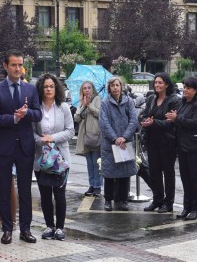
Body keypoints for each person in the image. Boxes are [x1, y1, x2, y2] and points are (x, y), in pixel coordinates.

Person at [0, 50, 42, 244]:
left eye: (20, 65)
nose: (18, 68)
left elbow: (38, 114)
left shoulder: (30, 89)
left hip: (25, 145)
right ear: (5, 66)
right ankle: (7, 228)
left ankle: (25, 229)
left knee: (26, 191)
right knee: (4, 190)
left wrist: (26, 114)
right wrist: (12, 118)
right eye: (14, 65)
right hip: (4, 145)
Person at [33, 74, 75, 240]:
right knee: (44, 194)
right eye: (45, 86)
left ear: (56, 88)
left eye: (51, 86)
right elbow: (32, 132)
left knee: (59, 194)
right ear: (41, 89)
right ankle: (49, 226)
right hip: (41, 158)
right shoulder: (37, 108)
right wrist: (42, 141)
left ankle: (59, 228)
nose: (49, 89)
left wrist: (52, 138)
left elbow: (70, 131)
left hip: (60, 158)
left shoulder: (63, 107)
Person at [139, 73, 181, 213]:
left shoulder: (174, 100)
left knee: (168, 173)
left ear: (167, 84)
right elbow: (144, 114)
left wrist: (153, 122)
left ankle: (168, 203)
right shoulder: (151, 98)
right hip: (152, 141)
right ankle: (157, 200)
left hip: (167, 142)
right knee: (154, 172)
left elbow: (171, 122)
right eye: (155, 82)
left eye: (160, 83)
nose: (157, 85)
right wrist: (144, 120)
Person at [167, 76, 197, 220]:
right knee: (185, 178)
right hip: (182, 146)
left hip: (195, 146)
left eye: (188, 88)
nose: (185, 90)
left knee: (195, 178)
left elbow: (195, 123)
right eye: (184, 87)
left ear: (195, 90)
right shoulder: (183, 103)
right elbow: (180, 123)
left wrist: (176, 119)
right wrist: (173, 120)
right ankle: (187, 207)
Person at [99, 76, 139, 212]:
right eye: (112, 85)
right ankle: (108, 200)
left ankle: (122, 200)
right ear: (109, 88)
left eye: (117, 85)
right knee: (109, 174)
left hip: (125, 143)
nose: (115, 87)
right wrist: (115, 138)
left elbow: (134, 121)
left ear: (121, 87)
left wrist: (124, 137)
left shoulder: (129, 102)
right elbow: (104, 124)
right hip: (110, 144)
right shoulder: (105, 103)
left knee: (124, 173)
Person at [74, 81, 103, 197]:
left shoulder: (97, 99)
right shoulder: (81, 102)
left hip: (95, 135)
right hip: (84, 136)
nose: (87, 90)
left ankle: (98, 186)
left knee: (96, 163)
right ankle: (91, 184)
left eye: (89, 88)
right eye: (84, 88)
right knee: (89, 163)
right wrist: (83, 107)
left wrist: (89, 106)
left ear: (92, 89)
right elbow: (76, 118)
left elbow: (100, 114)